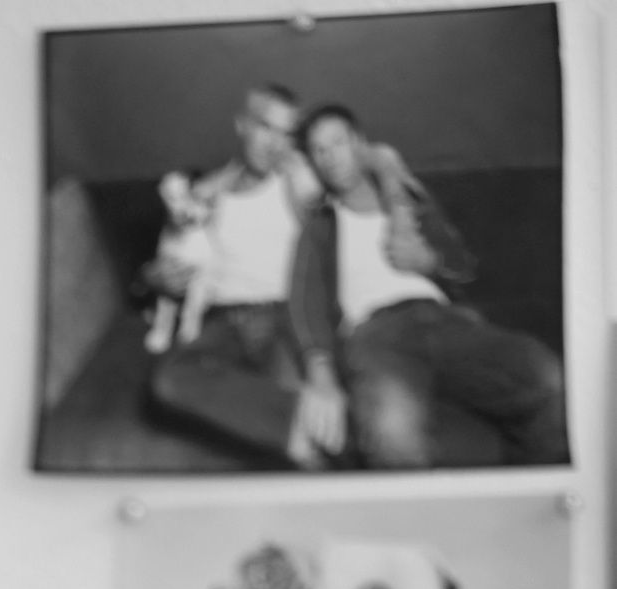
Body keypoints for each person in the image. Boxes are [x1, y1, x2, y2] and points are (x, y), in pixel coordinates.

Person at [291, 103, 566, 473]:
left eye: (337, 142)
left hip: (448, 322)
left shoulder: (413, 204)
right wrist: (320, 373)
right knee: (392, 430)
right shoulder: (320, 223)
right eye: (319, 150)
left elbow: (467, 271)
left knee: (547, 379)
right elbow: (305, 300)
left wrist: (430, 263)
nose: (330, 157)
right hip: (376, 334)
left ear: (359, 143)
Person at [145, 83, 334, 468]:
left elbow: (334, 207)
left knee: (310, 438)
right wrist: (156, 277)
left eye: (286, 133)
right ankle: (295, 426)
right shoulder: (206, 191)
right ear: (242, 125)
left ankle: (302, 435)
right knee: (169, 381)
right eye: (265, 127)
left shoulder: (297, 181)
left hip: (285, 317)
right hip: (224, 322)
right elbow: (172, 258)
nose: (275, 143)